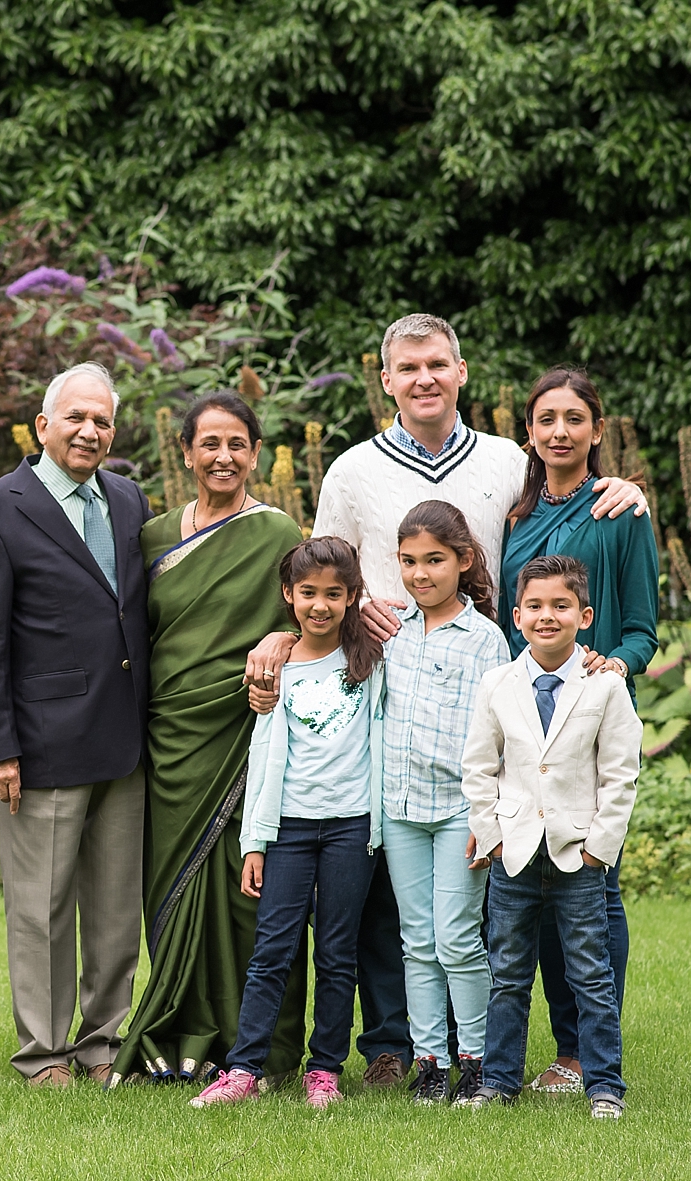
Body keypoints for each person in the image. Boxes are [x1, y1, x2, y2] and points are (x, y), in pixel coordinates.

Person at [244, 312, 646, 1090]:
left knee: (527, 890)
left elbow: (570, 495)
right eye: (407, 367)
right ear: (386, 379)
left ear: (461, 372)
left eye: (438, 364)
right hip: (388, 696)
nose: (424, 378)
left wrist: (623, 487)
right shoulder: (353, 471)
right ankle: (396, 1045)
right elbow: (322, 581)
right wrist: (278, 641)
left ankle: (540, 1050)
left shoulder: (507, 461)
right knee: (392, 912)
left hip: (496, 698)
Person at [0, 361, 153, 1088]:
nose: (90, 431)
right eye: (75, 418)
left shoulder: (128, 499)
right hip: (39, 747)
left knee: (112, 909)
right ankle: (42, 1054)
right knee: (40, 912)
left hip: (124, 742)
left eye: (102, 420)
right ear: (43, 426)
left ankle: (102, 1045)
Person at [111, 392, 312, 1091]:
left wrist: (284, 635)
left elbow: (315, 606)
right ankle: (176, 1038)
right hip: (171, 737)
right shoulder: (155, 534)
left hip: (247, 731)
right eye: (210, 443)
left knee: (246, 890)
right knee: (172, 886)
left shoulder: (278, 529)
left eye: (237, 444)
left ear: (255, 453)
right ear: (188, 452)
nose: (223, 456)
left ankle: (257, 1045)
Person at [496, 368, 659, 1097]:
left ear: (598, 427)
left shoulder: (619, 513)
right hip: (520, 718)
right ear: (528, 431)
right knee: (528, 883)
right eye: (545, 418)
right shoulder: (514, 516)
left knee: (592, 882)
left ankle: (585, 1050)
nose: (559, 430)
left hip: (589, 719)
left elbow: (642, 631)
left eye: (574, 418)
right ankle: (561, 1045)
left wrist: (610, 669)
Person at [191, 536, 385, 1110]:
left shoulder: (371, 661)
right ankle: (243, 1068)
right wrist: (255, 842)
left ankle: (324, 1068)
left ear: (353, 597)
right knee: (271, 950)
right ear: (287, 595)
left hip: (352, 828)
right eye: (307, 593)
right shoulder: (274, 669)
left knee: (336, 952)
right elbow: (262, 759)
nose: (319, 605)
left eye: (333, 594)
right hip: (289, 830)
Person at [459, 555, 640, 1119]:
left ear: (583, 615)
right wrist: (489, 837)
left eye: (561, 606)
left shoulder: (605, 688)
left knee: (590, 972)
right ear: (517, 616)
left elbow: (620, 773)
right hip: (512, 853)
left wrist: (598, 849)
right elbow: (479, 766)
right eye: (535, 606)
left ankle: (605, 1086)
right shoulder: (497, 685)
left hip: (577, 853)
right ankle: (498, 1082)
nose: (547, 616)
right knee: (507, 972)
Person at [381, 501, 509, 1107]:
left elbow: (499, 735)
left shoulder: (486, 639)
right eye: (408, 561)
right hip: (400, 807)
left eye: (434, 560)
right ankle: (429, 1060)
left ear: (463, 561)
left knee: (458, 936)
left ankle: (478, 1060)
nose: (419, 574)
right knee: (417, 940)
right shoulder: (391, 631)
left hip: (461, 810)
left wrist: (487, 820)